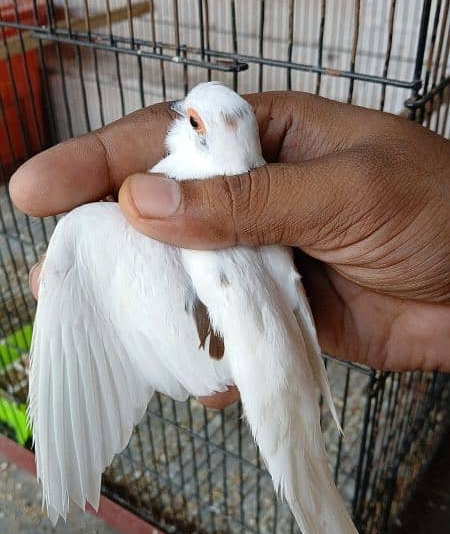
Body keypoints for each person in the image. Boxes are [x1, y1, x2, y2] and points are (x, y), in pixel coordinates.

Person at [9, 90, 450, 408]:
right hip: (264, 333)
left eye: (192, 120)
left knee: (72, 244)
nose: (180, 116)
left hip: (262, 336)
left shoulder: (190, 192)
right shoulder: (187, 178)